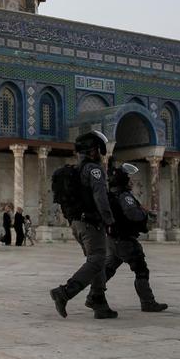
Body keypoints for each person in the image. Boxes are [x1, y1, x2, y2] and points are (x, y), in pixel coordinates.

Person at [50, 130, 118, 319]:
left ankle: (99, 301)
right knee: (97, 259)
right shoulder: (94, 170)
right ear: (93, 151)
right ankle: (64, 293)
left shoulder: (76, 170)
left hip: (77, 223)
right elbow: (100, 197)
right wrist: (109, 220)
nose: (99, 154)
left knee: (96, 261)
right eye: (98, 149)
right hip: (91, 223)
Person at [87, 163, 167, 312]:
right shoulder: (124, 196)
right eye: (128, 178)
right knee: (141, 269)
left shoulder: (110, 195)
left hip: (113, 238)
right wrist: (145, 213)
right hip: (125, 239)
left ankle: (93, 295)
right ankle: (148, 302)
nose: (131, 181)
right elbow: (133, 215)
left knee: (108, 268)